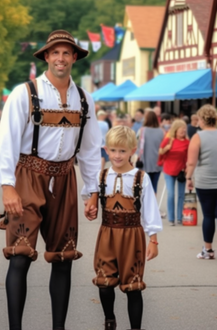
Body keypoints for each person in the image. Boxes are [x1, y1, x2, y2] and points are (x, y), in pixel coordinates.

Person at [0, 29, 100, 330]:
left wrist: (91, 191)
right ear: (46, 56)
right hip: (28, 176)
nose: (61, 58)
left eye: (67, 52)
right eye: (55, 52)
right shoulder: (25, 93)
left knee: (63, 257)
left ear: (75, 57)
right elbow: (6, 142)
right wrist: (7, 186)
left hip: (65, 178)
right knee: (20, 255)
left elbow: (91, 148)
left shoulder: (84, 99)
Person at [84, 126, 162, 330]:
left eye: (122, 151)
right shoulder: (101, 176)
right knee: (104, 281)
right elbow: (90, 197)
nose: (117, 155)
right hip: (107, 234)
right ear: (106, 150)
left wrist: (153, 240)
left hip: (132, 236)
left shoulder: (141, 178)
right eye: (113, 150)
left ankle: (135, 327)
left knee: (133, 285)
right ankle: (109, 320)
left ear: (132, 150)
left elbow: (150, 210)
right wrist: (90, 207)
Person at [186, 105, 217, 261]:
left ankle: (208, 250)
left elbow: (191, 163)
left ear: (202, 119)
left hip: (205, 181)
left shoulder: (198, 137)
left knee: (208, 215)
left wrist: (188, 178)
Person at [159, 119, 189, 226]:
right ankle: (171, 218)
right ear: (175, 130)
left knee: (181, 195)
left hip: (181, 171)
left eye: (185, 130)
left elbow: (188, 157)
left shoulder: (187, 142)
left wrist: (188, 171)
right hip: (169, 169)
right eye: (181, 130)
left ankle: (179, 218)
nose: (183, 132)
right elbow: (160, 151)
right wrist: (168, 147)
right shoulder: (169, 140)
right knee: (171, 194)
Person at [138, 111, 164, 194]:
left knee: (145, 186)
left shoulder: (142, 130)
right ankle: (153, 205)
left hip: (145, 162)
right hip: (158, 162)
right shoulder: (161, 131)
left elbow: (138, 145)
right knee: (154, 185)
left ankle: (146, 205)